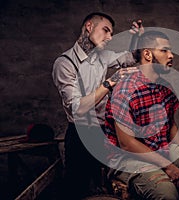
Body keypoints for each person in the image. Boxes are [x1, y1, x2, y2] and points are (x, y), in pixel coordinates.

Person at [104, 30, 179, 200]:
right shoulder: (125, 89)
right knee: (167, 193)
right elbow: (126, 144)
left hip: (160, 150)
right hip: (128, 160)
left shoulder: (164, 85)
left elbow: (170, 125)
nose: (171, 56)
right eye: (164, 50)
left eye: (170, 51)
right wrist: (168, 166)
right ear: (147, 54)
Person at [52, 12, 141, 199]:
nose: (110, 37)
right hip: (79, 135)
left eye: (111, 33)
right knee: (77, 190)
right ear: (89, 27)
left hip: (103, 133)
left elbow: (131, 58)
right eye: (106, 30)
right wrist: (109, 83)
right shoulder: (65, 63)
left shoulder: (102, 56)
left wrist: (137, 40)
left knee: (105, 190)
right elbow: (78, 108)